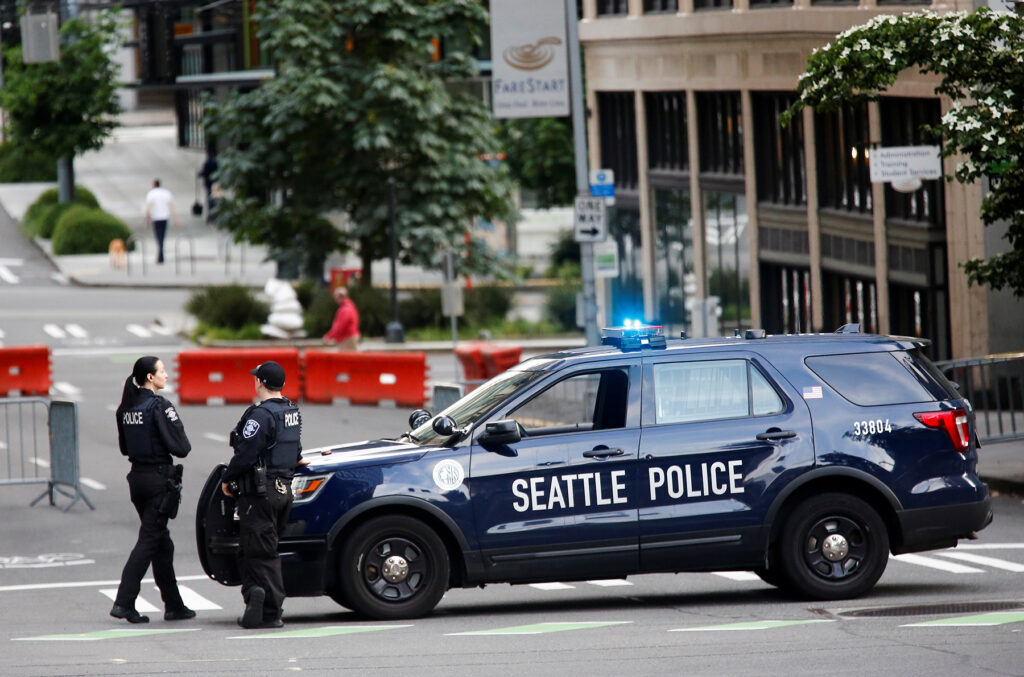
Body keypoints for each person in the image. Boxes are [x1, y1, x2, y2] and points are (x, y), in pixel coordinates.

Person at [110, 356, 194, 624]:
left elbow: (125, 448)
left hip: (137, 478)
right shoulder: (159, 406)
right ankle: (123, 602)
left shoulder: (126, 407)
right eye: (162, 371)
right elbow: (182, 448)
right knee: (148, 542)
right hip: (158, 480)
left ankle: (174, 605)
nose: (167, 375)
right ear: (150, 377)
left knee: (161, 543)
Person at [222, 361, 305, 629]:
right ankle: (254, 599)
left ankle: (270, 610)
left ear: (260, 383)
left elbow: (246, 453)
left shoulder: (261, 416)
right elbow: (296, 451)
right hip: (284, 490)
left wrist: (228, 478)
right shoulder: (291, 412)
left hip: (260, 493)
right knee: (252, 549)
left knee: (262, 552)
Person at [144, 179, 179, 264]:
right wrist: (176, 219)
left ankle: (160, 256)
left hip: (156, 218)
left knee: (158, 237)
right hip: (165, 217)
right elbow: (171, 206)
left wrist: (147, 216)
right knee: (162, 236)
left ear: (153, 185)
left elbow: (148, 206)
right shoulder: (166, 193)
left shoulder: (151, 193)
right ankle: (161, 255)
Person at [323, 285, 360, 350]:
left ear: (340, 297)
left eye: (336, 297)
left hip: (347, 338)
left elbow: (340, 326)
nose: (335, 299)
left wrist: (329, 336)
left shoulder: (345, 309)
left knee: (346, 359)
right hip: (349, 337)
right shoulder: (350, 306)